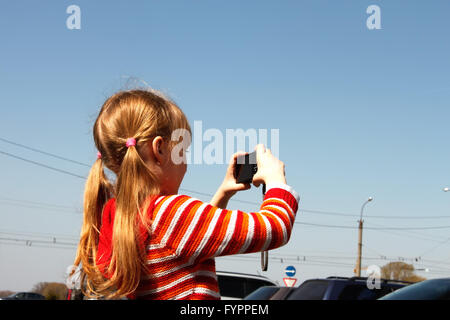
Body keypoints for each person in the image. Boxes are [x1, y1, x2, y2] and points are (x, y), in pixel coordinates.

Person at [73, 89, 300, 300]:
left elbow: (190, 243)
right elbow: (275, 228)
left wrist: (223, 193)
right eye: (183, 150)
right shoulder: (169, 215)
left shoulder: (122, 218)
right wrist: (275, 180)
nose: (186, 162)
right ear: (159, 149)